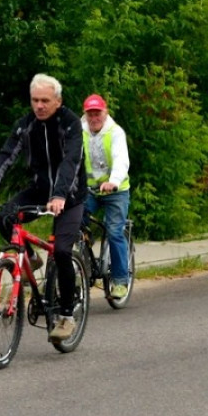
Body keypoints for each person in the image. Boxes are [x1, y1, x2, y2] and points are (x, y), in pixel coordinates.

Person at [0, 74, 87, 342]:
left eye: (45, 100)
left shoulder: (71, 124)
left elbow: (71, 161)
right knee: (4, 217)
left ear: (58, 101)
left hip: (71, 195)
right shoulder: (26, 125)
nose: (39, 106)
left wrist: (60, 195)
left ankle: (66, 315)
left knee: (63, 252)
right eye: (35, 100)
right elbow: (6, 156)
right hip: (40, 190)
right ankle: (29, 257)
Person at [81, 94, 131, 299]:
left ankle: (120, 281)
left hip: (115, 191)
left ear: (105, 112)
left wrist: (114, 181)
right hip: (90, 190)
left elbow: (121, 160)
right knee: (73, 224)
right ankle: (80, 265)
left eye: (97, 113)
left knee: (114, 232)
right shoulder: (79, 130)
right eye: (90, 113)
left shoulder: (115, 132)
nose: (94, 117)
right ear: (85, 115)